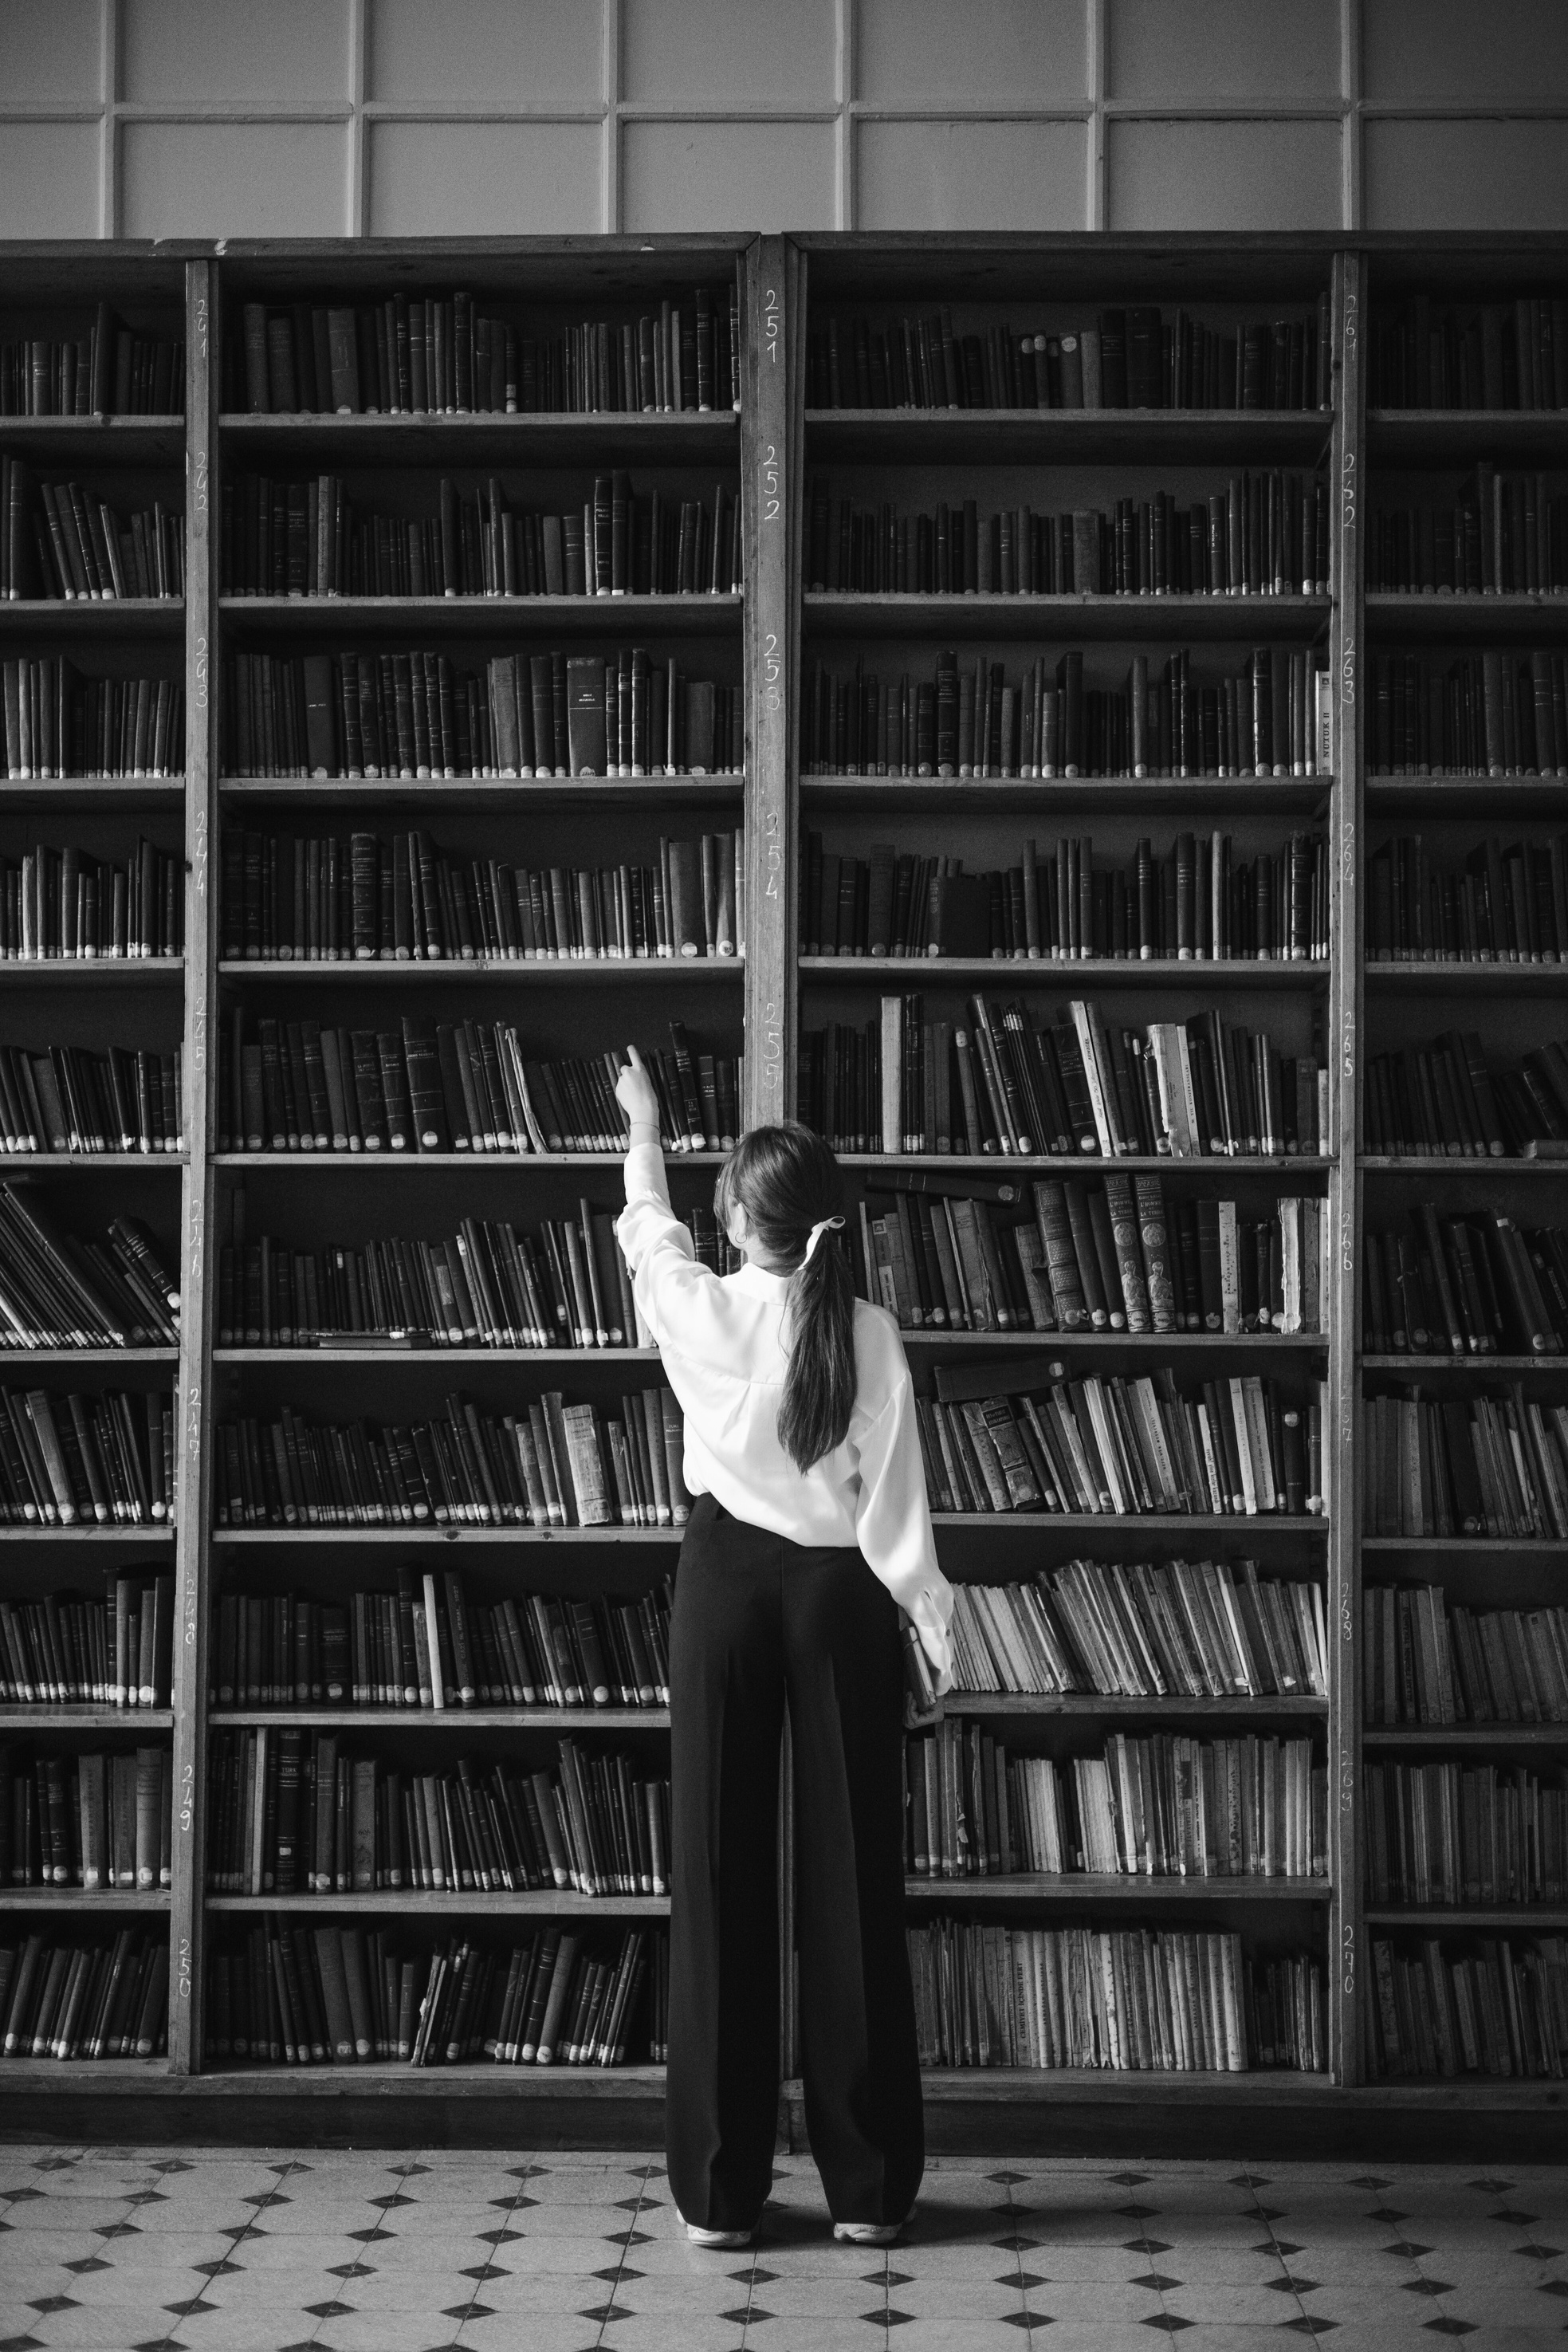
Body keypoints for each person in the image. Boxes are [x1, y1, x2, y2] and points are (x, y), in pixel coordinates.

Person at [615, 1050, 953, 2250]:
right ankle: (865, 2192)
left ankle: (717, 2190)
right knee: (854, 1879)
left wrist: (644, 1125)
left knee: (715, 1873)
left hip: (721, 1588)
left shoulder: (698, 1304)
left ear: (734, 1221)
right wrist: (932, 1632)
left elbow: (644, 1227)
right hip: (839, 1593)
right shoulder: (865, 1327)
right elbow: (895, 1506)